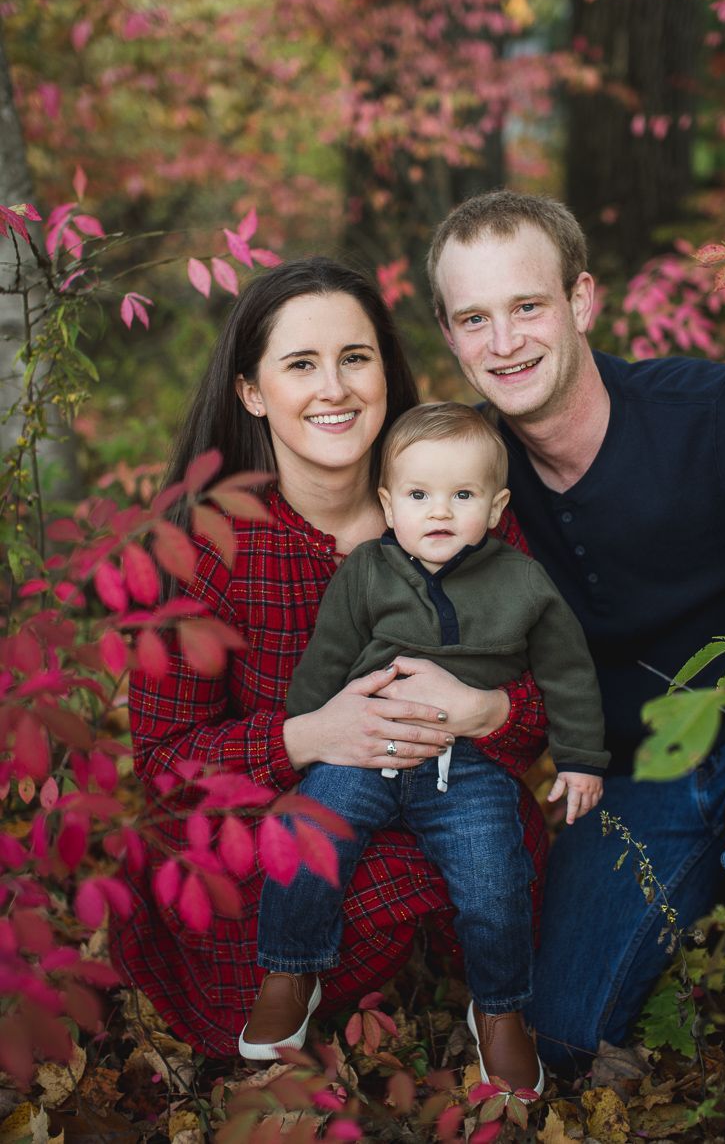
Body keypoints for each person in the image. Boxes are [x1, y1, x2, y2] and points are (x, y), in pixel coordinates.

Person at [426, 189, 725, 1072]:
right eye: (474, 318)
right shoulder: (469, 477)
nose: (503, 342)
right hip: (631, 778)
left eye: (526, 306)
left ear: (581, 302)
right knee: (556, 1038)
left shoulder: (724, 420)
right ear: (449, 337)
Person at [110, 259, 550, 1058]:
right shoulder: (199, 547)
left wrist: (489, 711)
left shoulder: (458, 504)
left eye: (355, 357)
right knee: (296, 860)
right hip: (278, 818)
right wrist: (307, 737)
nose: (335, 388)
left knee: (488, 846)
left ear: (386, 368)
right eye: (301, 364)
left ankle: (480, 1003)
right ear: (252, 392)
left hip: (448, 797)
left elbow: (542, 698)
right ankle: (303, 983)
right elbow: (166, 767)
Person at [239, 403, 607, 1091]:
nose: (438, 512)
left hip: (464, 762)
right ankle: (290, 971)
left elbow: (567, 670)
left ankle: (499, 1012)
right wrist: (312, 738)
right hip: (365, 745)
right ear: (387, 503)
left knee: (495, 878)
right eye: (417, 495)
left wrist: (582, 757)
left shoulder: (522, 582)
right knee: (304, 833)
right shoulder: (366, 572)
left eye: (461, 495)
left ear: (495, 507)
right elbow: (327, 658)